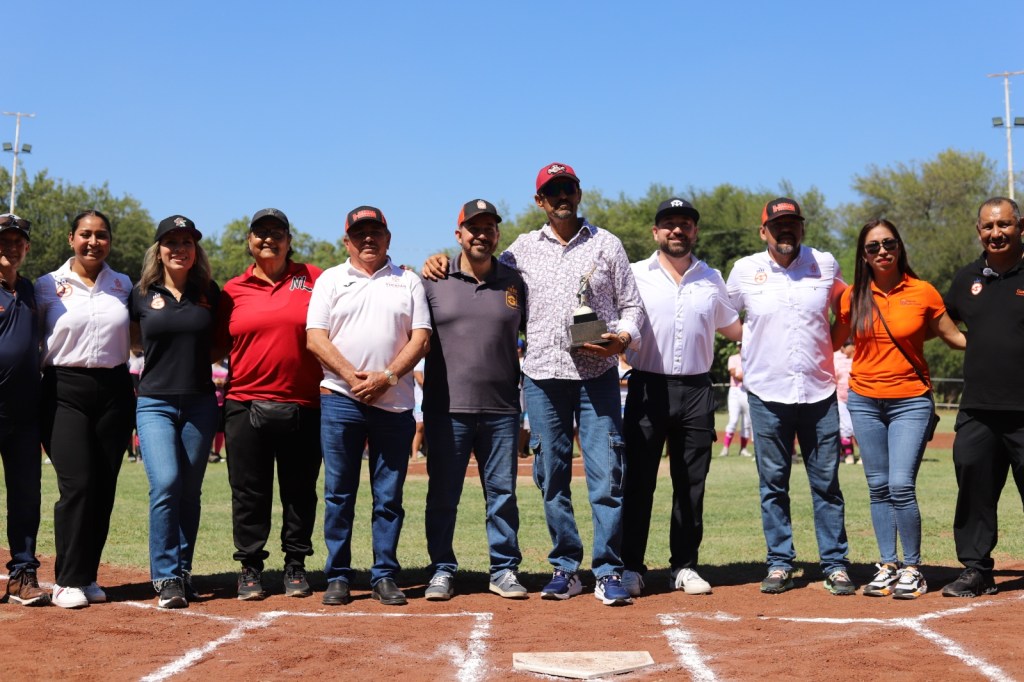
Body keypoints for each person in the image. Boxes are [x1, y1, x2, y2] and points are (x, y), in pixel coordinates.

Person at [423, 163, 645, 606]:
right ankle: (565, 567)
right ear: (540, 200)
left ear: (579, 193)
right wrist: (437, 258)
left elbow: (632, 307)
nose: (562, 196)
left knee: (606, 477)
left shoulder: (607, 244)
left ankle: (608, 570)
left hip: (597, 376)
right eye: (552, 191)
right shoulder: (520, 251)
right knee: (551, 478)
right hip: (543, 378)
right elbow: (479, 268)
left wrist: (622, 339)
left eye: (568, 188)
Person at [725, 197, 854, 595]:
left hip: (819, 391)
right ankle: (780, 562)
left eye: (792, 224)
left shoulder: (824, 263)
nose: (786, 230)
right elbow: (725, 318)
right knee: (773, 485)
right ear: (763, 231)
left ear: (802, 228)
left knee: (826, 484)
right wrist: (753, 345)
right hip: (766, 393)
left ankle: (835, 564)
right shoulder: (744, 270)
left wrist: (830, 348)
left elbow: (846, 310)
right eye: (777, 224)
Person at [832, 219, 965, 600]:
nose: (882, 251)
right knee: (877, 487)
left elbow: (954, 337)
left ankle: (913, 568)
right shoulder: (852, 297)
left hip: (910, 400)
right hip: (864, 400)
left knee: (901, 485)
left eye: (888, 243)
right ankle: (888, 564)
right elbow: (829, 341)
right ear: (863, 255)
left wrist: (1003, 341)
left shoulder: (923, 292)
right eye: (873, 247)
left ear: (899, 247)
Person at [307, 206, 430, 607]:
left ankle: (384, 574)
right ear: (347, 241)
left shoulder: (407, 280)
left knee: (388, 497)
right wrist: (353, 377)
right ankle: (338, 575)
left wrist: (386, 377)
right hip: (340, 399)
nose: (368, 239)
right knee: (338, 493)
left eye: (375, 232)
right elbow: (315, 338)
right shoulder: (330, 280)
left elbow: (421, 339)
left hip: (393, 403)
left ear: (388, 238)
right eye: (359, 233)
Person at [620, 198, 741, 598]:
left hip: (696, 390)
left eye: (685, 224)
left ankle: (684, 566)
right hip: (646, 387)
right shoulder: (634, 274)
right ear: (655, 232)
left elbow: (735, 329)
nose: (677, 230)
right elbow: (616, 324)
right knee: (638, 483)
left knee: (691, 485)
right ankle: (631, 567)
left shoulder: (712, 278)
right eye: (669, 223)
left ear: (695, 232)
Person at [421, 199, 528, 601]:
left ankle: (503, 569)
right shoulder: (432, 278)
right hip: (446, 409)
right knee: (443, 495)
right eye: (474, 228)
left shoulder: (515, 282)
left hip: (502, 409)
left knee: (502, 496)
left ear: (497, 234)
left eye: (489, 228)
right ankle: (441, 569)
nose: (482, 235)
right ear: (459, 234)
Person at [218, 208, 324, 601]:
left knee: (300, 490)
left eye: (277, 233)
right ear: (249, 241)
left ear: (289, 241)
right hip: (245, 403)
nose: (268, 239)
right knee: (249, 492)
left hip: (304, 403)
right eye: (260, 233)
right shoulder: (232, 289)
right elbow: (214, 344)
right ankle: (250, 567)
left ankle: (295, 564)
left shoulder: (314, 278)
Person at [36, 210, 135, 609]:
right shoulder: (47, 285)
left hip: (114, 390)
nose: (93, 242)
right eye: (85, 234)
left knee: (103, 486)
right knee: (77, 484)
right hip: (63, 389)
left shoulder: (123, 284)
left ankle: (87, 576)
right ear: (71, 239)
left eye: (101, 235)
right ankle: (66, 580)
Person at [130, 215, 220, 609]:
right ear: (159, 250)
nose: (180, 248)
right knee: (166, 482)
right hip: (155, 402)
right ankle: (165, 575)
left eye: (187, 242)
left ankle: (182, 571)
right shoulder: (140, 293)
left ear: (195, 249)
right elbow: (133, 340)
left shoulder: (209, 292)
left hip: (200, 402)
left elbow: (220, 343)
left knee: (190, 491)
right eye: (172, 242)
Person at [941, 196, 1024, 598]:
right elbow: (940, 320)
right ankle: (976, 570)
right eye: (988, 226)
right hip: (978, 409)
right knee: (973, 490)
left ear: (1020, 227)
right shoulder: (966, 278)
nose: (996, 233)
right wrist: (968, 342)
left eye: (1004, 224)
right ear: (979, 231)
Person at [0, 214, 48, 607]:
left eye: (18, 241)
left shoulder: (31, 290)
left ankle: (22, 574)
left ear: (27, 248)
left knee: (26, 496)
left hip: (24, 412)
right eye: (3, 240)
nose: (10, 247)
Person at [720, 346, 752, 458]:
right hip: (735, 391)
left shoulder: (751, 358)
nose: (741, 347)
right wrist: (748, 377)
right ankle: (725, 448)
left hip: (747, 390)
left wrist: (745, 376)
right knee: (733, 420)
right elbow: (734, 374)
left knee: (747, 422)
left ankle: (743, 449)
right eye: (740, 345)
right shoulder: (733, 358)